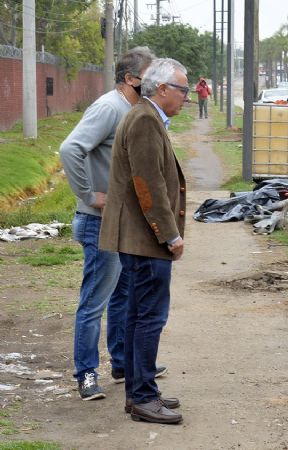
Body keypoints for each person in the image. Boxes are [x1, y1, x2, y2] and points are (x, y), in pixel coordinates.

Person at [59, 46, 169, 401]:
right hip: (97, 221)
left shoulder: (134, 108)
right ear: (130, 79)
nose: (154, 84)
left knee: (123, 296)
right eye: (148, 78)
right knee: (95, 300)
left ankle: (122, 363)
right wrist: (90, 195)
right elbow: (70, 149)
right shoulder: (109, 107)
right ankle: (86, 373)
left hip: (121, 222)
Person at [99, 58, 188, 424]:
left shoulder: (143, 117)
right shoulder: (145, 120)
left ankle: (140, 394)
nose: (186, 97)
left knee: (139, 317)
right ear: (162, 89)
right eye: (182, 90)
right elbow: (147, 184)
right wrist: (170, 234)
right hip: (145, 238)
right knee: (149, 318)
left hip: (139, 237)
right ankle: (143, 397)